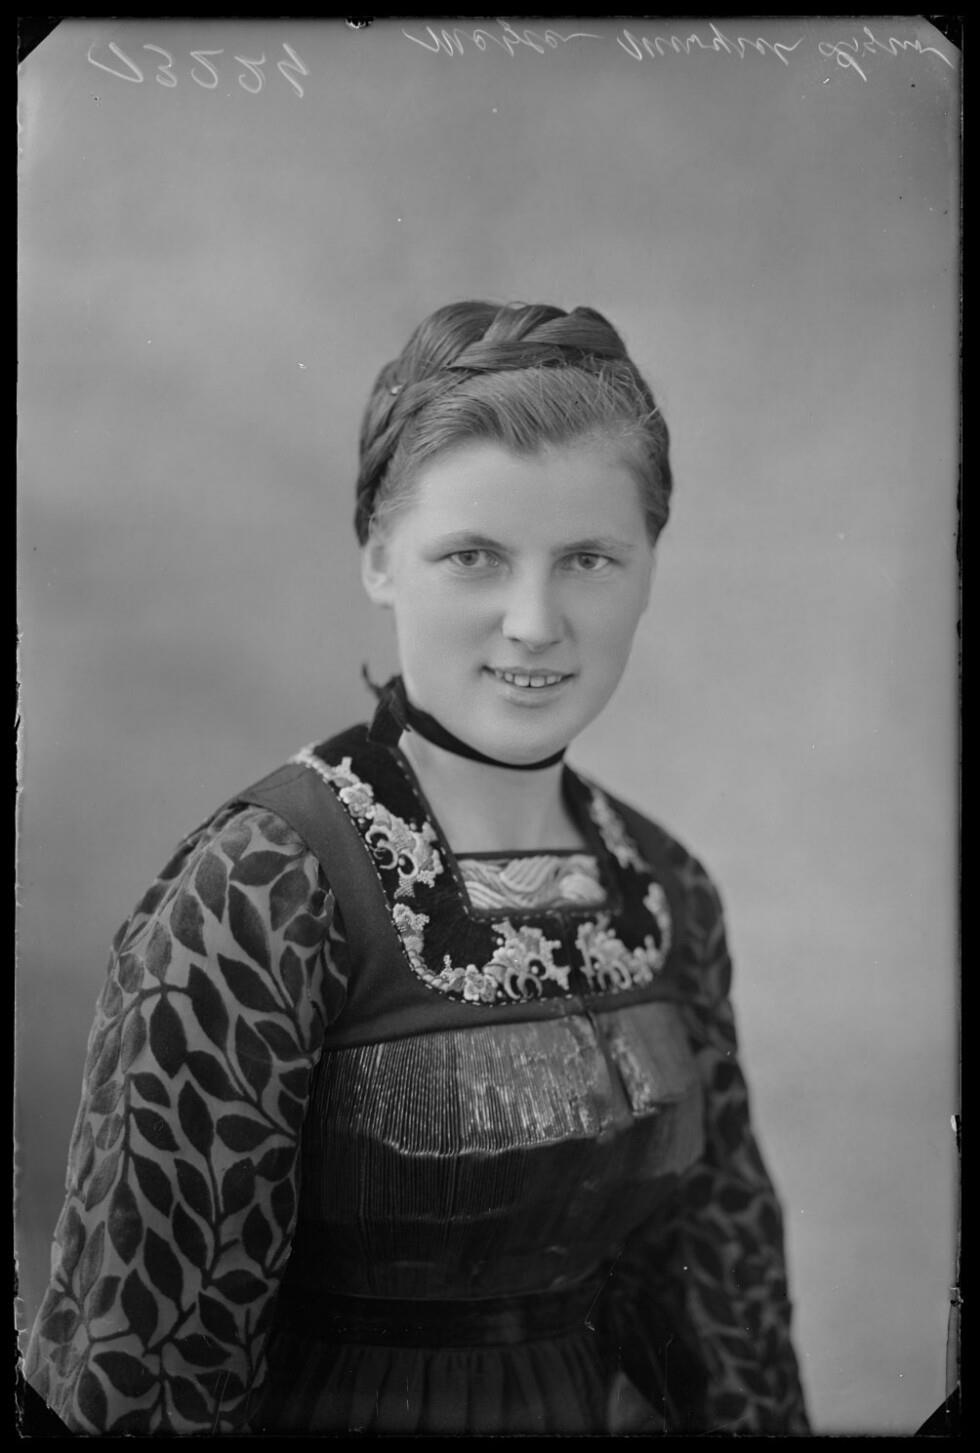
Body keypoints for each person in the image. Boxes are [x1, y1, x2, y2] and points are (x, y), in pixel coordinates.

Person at [22, 300, 809, 1435]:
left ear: (648, 569)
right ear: (380, 559)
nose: (533, 622)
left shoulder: (663, 884)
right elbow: (143, 1371)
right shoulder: (263, 888)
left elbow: (728, 1314)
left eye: (588, 559)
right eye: (472, 556)